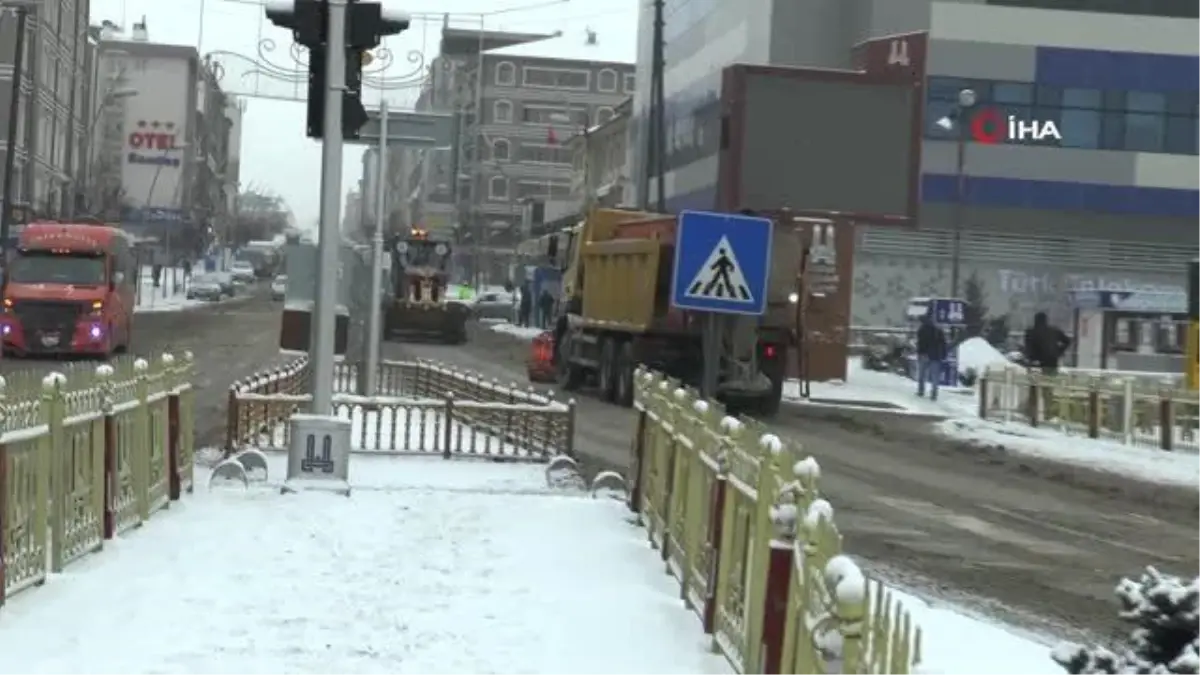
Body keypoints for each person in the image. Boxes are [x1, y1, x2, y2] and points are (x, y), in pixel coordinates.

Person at [915, 313, 948, 401]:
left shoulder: (922, 330)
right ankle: (934, 394)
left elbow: (920, 343)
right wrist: (944, 355)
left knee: (922, 375)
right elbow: (943, 344)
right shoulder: (938, 330)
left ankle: (921, 391)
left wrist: (919, 353)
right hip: (936, 356)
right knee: (934, 376)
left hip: (924, 354)